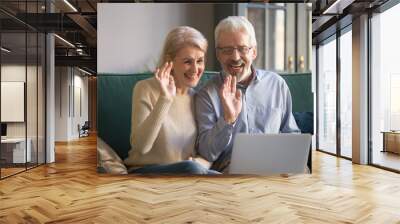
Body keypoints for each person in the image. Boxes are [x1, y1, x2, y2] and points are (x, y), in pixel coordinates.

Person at [195, 16, 300, 172]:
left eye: (243, 49)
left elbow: (292, 134)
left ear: (254, 52)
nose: (235, 57)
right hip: (232, 169)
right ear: (218, 54)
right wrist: (228, 120)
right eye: (227, 50)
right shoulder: (206, 95)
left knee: (302, 170)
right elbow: (207, 152)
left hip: (276, 164)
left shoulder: (277, 85)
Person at [124, 26, 219, 175]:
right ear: (170, 61)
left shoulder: (199, 98)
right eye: (188, 61)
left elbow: (208, 150)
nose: (195, 69)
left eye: (200, 61)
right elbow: (141, 147)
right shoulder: (145, 88)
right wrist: (165, 99)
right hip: (146, 172)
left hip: (188, 173)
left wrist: (199, 164)